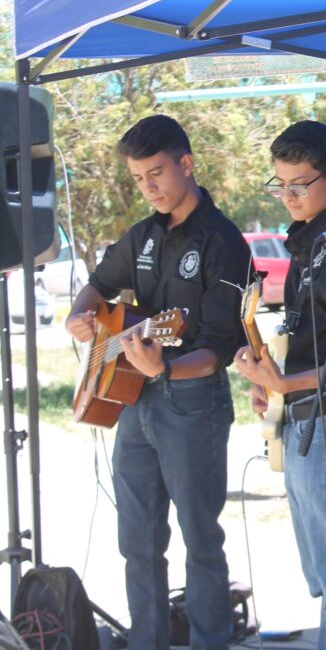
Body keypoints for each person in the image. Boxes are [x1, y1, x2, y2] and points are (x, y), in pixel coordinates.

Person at [65, 115, 250, 649]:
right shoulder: (142, 234)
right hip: (135, 400)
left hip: (193, 401)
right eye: (138, 178)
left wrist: (166, 367)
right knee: (138, 541)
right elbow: (98, 286)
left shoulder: (225, 241)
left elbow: (217, 350)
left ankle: (210, 641)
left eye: (156, 173)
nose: (148, 187)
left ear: (186, 165)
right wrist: (83, 317)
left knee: (200, 541)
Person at [233, 120, 326, 649]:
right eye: (280, 185)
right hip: (302, 421)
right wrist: (272, 384)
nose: (288, 196)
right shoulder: (306, 245)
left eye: (299, 184)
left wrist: (287, 380)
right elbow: (308, 337)